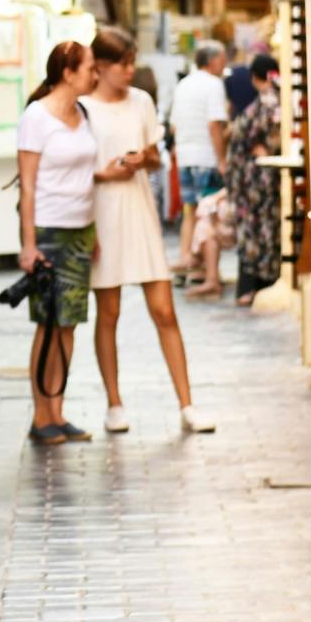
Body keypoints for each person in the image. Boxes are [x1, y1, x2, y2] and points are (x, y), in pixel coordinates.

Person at [81, 28, 215, 435]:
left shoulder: (140, 100)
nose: (128, 70)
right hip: (102, 210)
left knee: (164, 309)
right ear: (101, 66)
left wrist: (143, 159)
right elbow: (74, 168)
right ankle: (114, 403)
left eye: (130, 62)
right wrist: (105, 172)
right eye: (122, 63)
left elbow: (158, 156)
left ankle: (187, 403)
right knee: (109, 312)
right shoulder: (83, 108)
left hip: (139, 209)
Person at [16, 39, 110, 446]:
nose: (96, 74)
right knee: (48, 323)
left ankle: (58, 409)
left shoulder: (83, 113)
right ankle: (41, 414)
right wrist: (28, 244)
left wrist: (95, 232)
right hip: (50, 233)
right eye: (90, 67)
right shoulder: (37, 117)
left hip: (80, 230)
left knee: (69, 324)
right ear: (68, 73)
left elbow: (87, 179)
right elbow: (29, 184)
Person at [166, 41, 229, 278]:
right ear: (212, 61)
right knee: (208, 214)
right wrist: (222, 159)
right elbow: (214, 124)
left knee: (190, 210)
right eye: (222, 60)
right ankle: (203, 268)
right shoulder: (214, 85)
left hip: (185, 156)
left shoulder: (183, 85)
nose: (224, 65)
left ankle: (187, 258)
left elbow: (173, 126)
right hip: (206, 157)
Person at [226, 53, 284, 306]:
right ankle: (257, 283)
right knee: (262, 229)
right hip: (257, 178)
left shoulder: (268, 98)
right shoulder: (277, 95)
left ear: (254, 77)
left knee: (253, 231)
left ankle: (251, 286)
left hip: (254, 179)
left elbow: (268, 133)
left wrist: (268, 148)